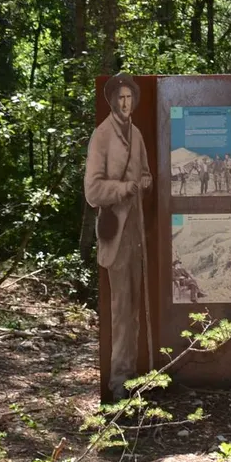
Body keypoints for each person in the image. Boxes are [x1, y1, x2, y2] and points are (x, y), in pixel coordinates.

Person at [84, 75, 152, 398]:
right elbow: (92, 191)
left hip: (137, 231)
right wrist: (123, 188)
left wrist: (145, 181)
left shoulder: (136, 135)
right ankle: (119, 383)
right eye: (120, 97)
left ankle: (132, 375)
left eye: (129, 97)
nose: (126, 103)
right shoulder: (101, 135)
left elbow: (145, 172)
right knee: (121, 309)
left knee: (134, 307)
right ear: (112, 101)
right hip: (116, 232)